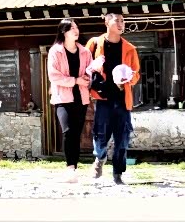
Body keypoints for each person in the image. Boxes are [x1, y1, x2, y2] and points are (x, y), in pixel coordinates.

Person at [85, 11, 140, 185]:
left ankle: (118, 173)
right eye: (117, 21)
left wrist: (129, 77)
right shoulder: (95, 44)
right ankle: (99, 158)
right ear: (107, 23)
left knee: (122, 138)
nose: (121, 24)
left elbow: (136, 75)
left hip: (123, 99)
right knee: (100, 135)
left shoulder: (130, 49)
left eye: (123, 21)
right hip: (103, 98)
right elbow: (84, 67)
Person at [46, 18, 92, 182]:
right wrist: (75, 80)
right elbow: (54, 76)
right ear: (63, 31)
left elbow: (90, 71)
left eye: (77, 27)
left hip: (81, 97)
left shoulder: (85, 52)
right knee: (68, 131)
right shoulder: (55, 51)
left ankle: (74, 169)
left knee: (76, 133)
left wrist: (88, 77)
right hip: (62, 98)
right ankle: (70, 168)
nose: (76, 30)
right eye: (72, 28)